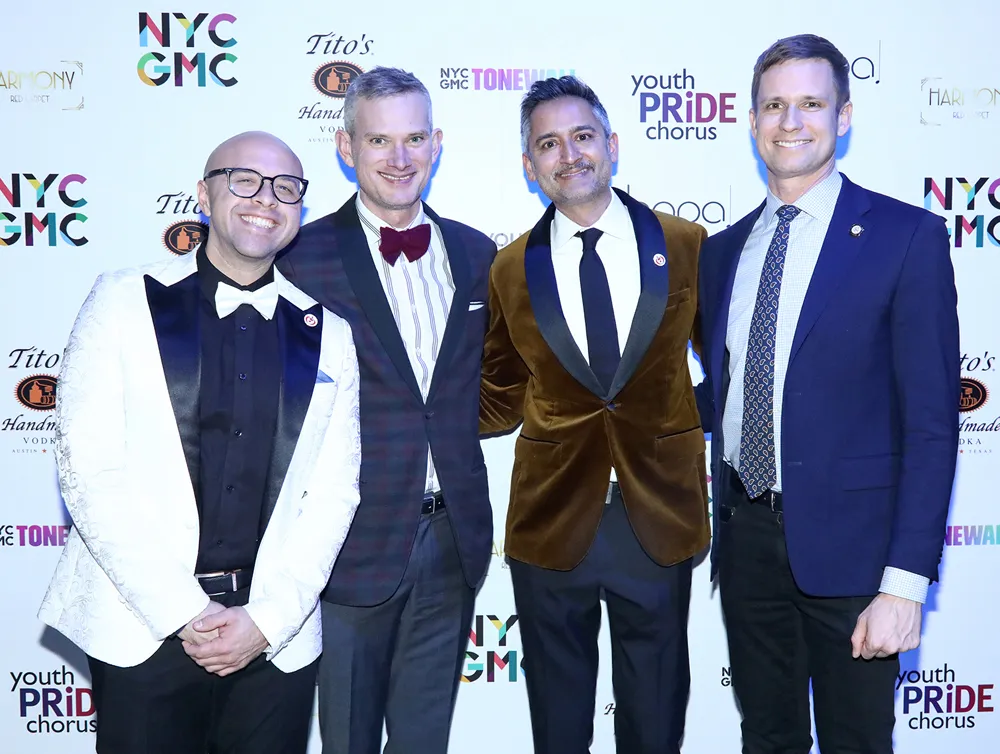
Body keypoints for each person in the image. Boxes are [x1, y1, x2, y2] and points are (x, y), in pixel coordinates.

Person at [39, 131, 361, 754]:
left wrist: (267, 619)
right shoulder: (121, 301)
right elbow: (89, 472)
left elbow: (334, 494)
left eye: (285, 188)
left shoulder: (330, 333)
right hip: (144, 625)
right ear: (204, 195)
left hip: (274, 640)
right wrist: (185, 611)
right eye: (244, 180)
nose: (265, 199)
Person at [698, 34, 959, 754]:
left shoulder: (905, 237)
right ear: (753, 121)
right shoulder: (722, 252)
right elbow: (731, 389)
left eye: (810, 103)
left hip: (857, 558)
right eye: (774, 105)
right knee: (767, 737)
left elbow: (932, 426)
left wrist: (905, 584)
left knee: (857, 743)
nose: (791, 122)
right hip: (747, 541)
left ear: (843, 117)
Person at [480, 76, 708, 754]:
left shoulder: (687, 243)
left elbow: (731, 365)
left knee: (655, 723)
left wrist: (685, 420)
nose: (569, 154)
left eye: (582, 136)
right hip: (550, 522)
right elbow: (499, 394)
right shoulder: (508, 269)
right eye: (548, 144)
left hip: (658, 515)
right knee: (558, 727)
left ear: (611, 144)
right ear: (529, 165)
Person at [276, 67, 496, 754]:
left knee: (425, 741)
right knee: (346, 740)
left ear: (437, 143)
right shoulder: (299, 259)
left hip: (453, 539)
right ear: (346, 147)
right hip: (348, 545)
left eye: (414, 139)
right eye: (379, 141)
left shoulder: (477, 254)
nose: (399, 158)